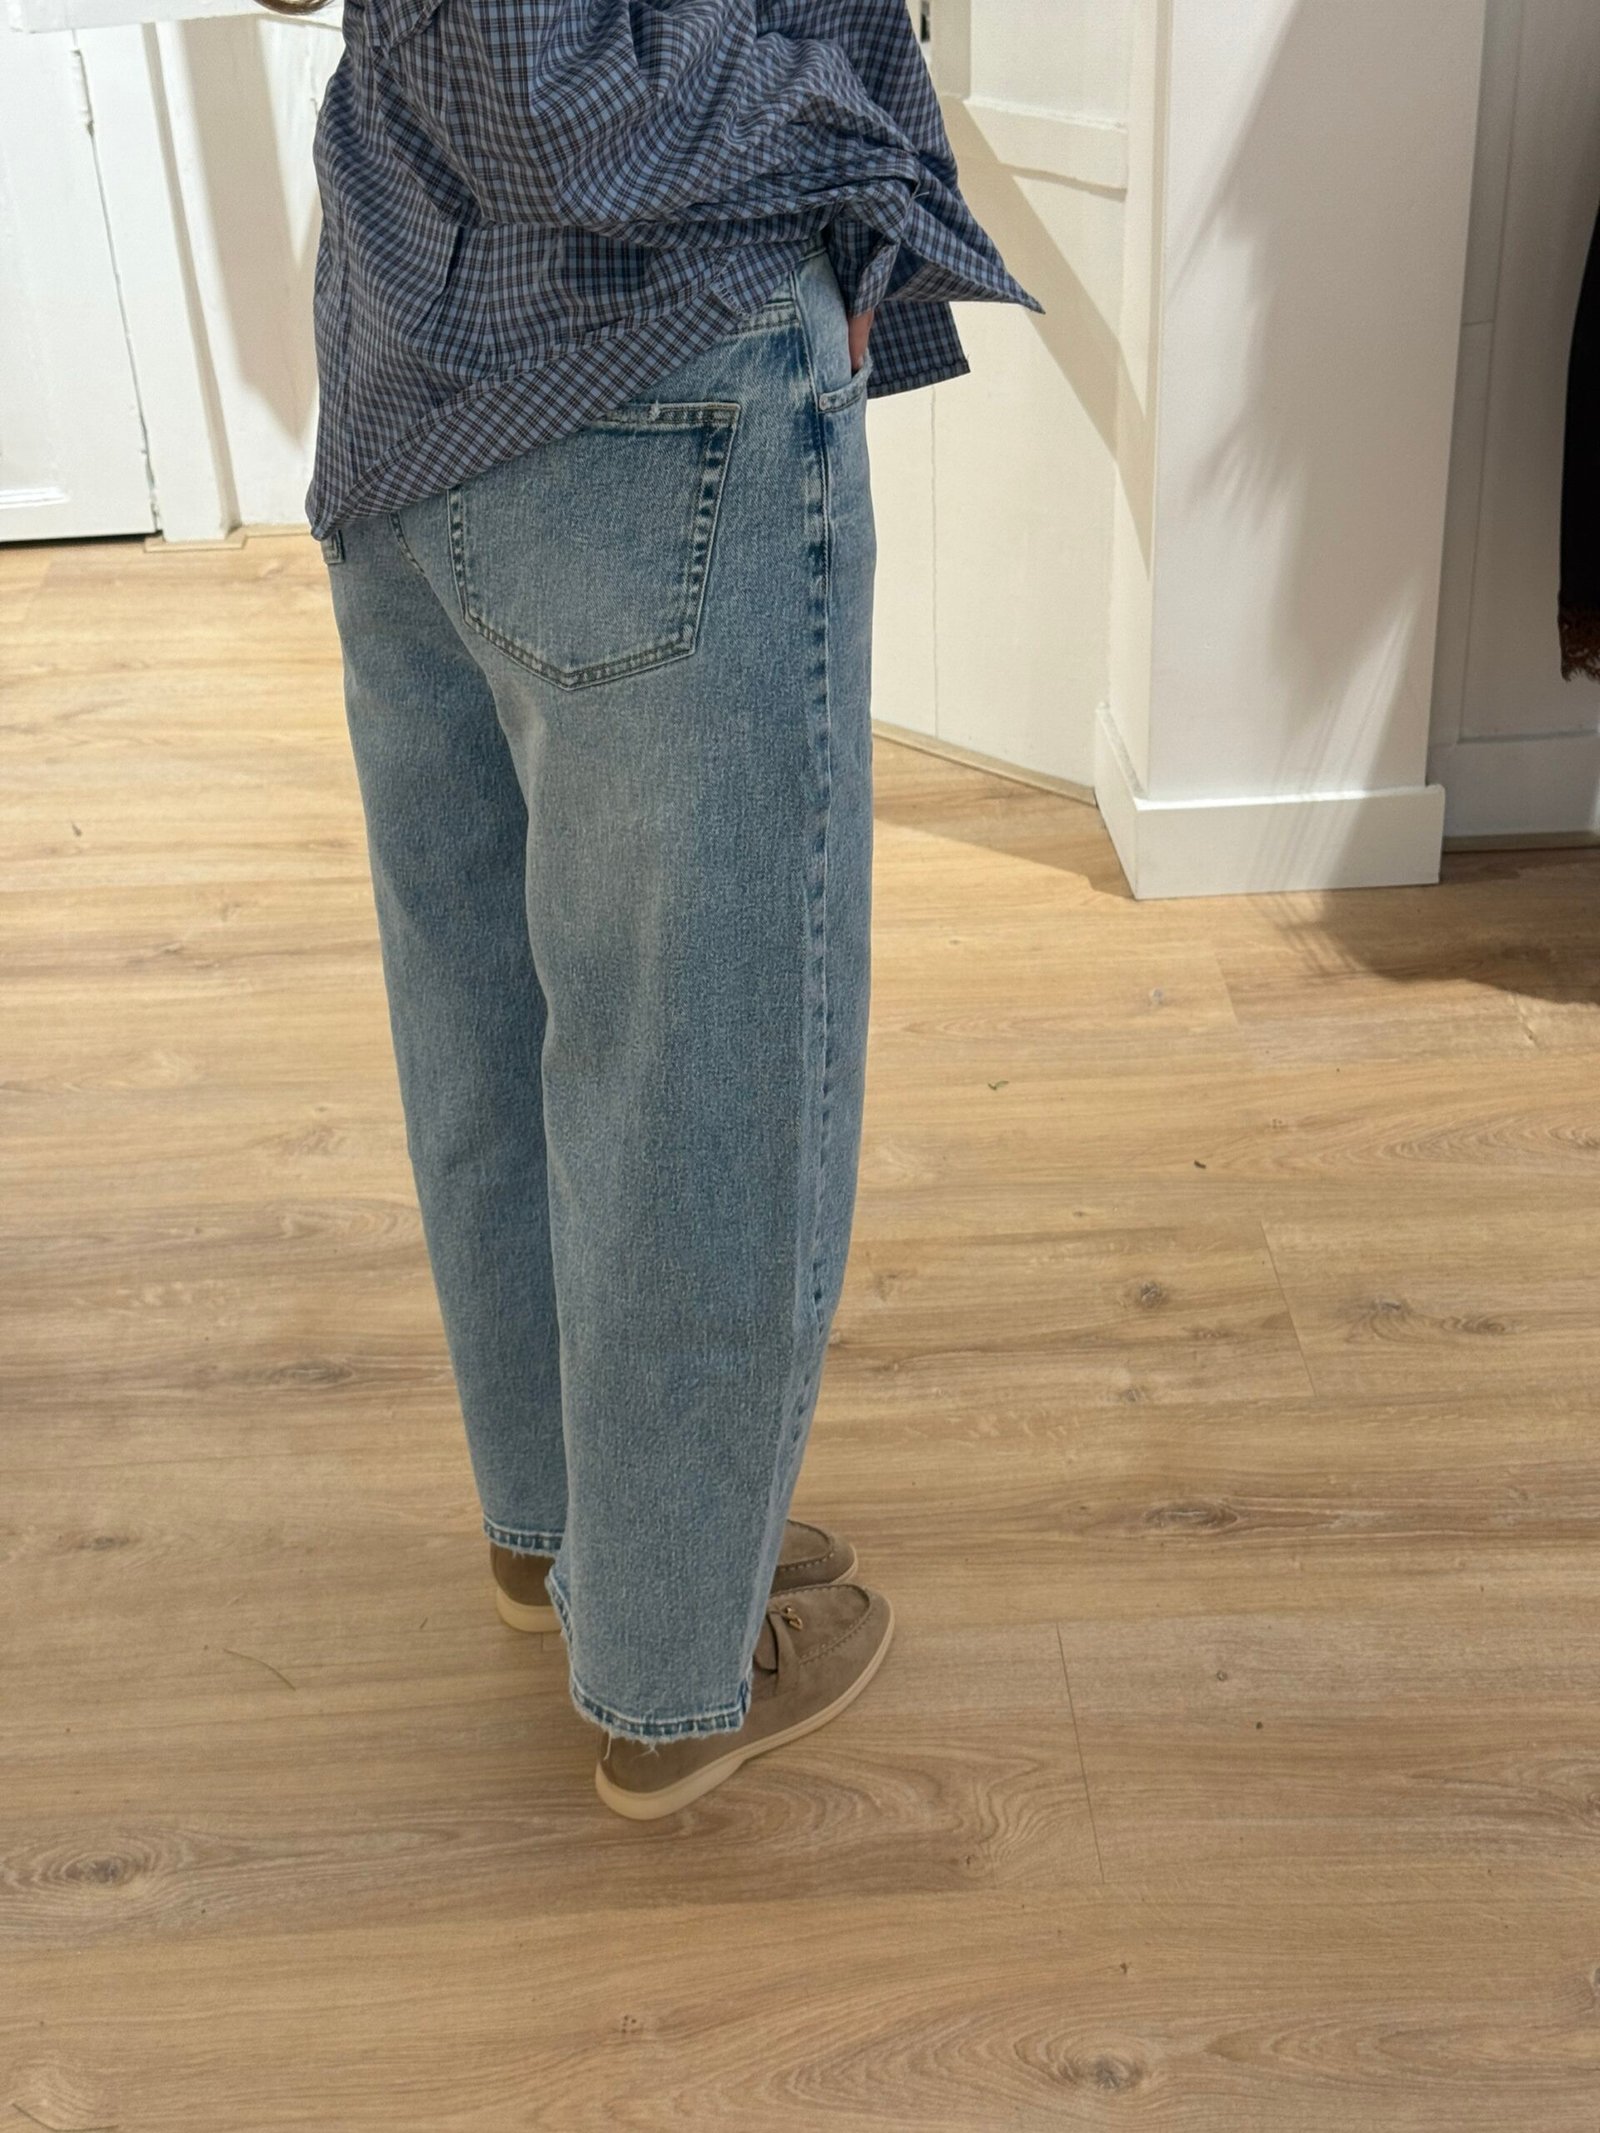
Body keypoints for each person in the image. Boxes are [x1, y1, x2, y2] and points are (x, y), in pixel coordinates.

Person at [281, 0, 1041, 1818]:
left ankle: (573, 1534)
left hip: (412, 327)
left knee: (495, 1017)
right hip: (650, 362)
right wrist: (850, 144)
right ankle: (669, 1665)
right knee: (701, 1061)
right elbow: (561, 94)